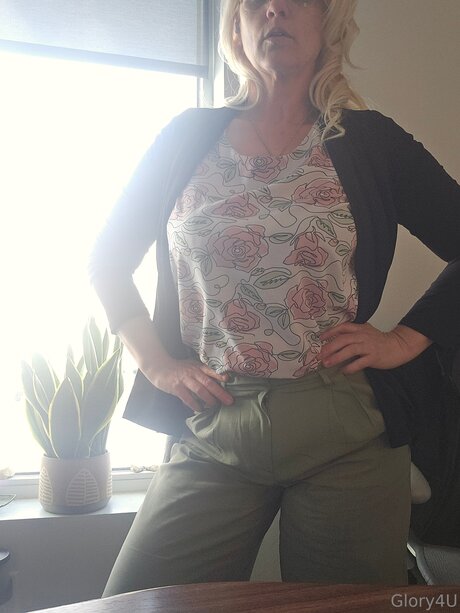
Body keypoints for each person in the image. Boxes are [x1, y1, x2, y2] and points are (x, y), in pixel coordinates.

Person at [90, 0, 460, 595]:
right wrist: (156, 363)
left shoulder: (371, 141)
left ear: (327, 20)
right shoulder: (186, 137)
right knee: (138, 602)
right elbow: (107, 262)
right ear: (236, 28)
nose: (275, 8)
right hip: (215, 423)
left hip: (346, 429)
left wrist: (403, 340)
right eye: (254, 2)